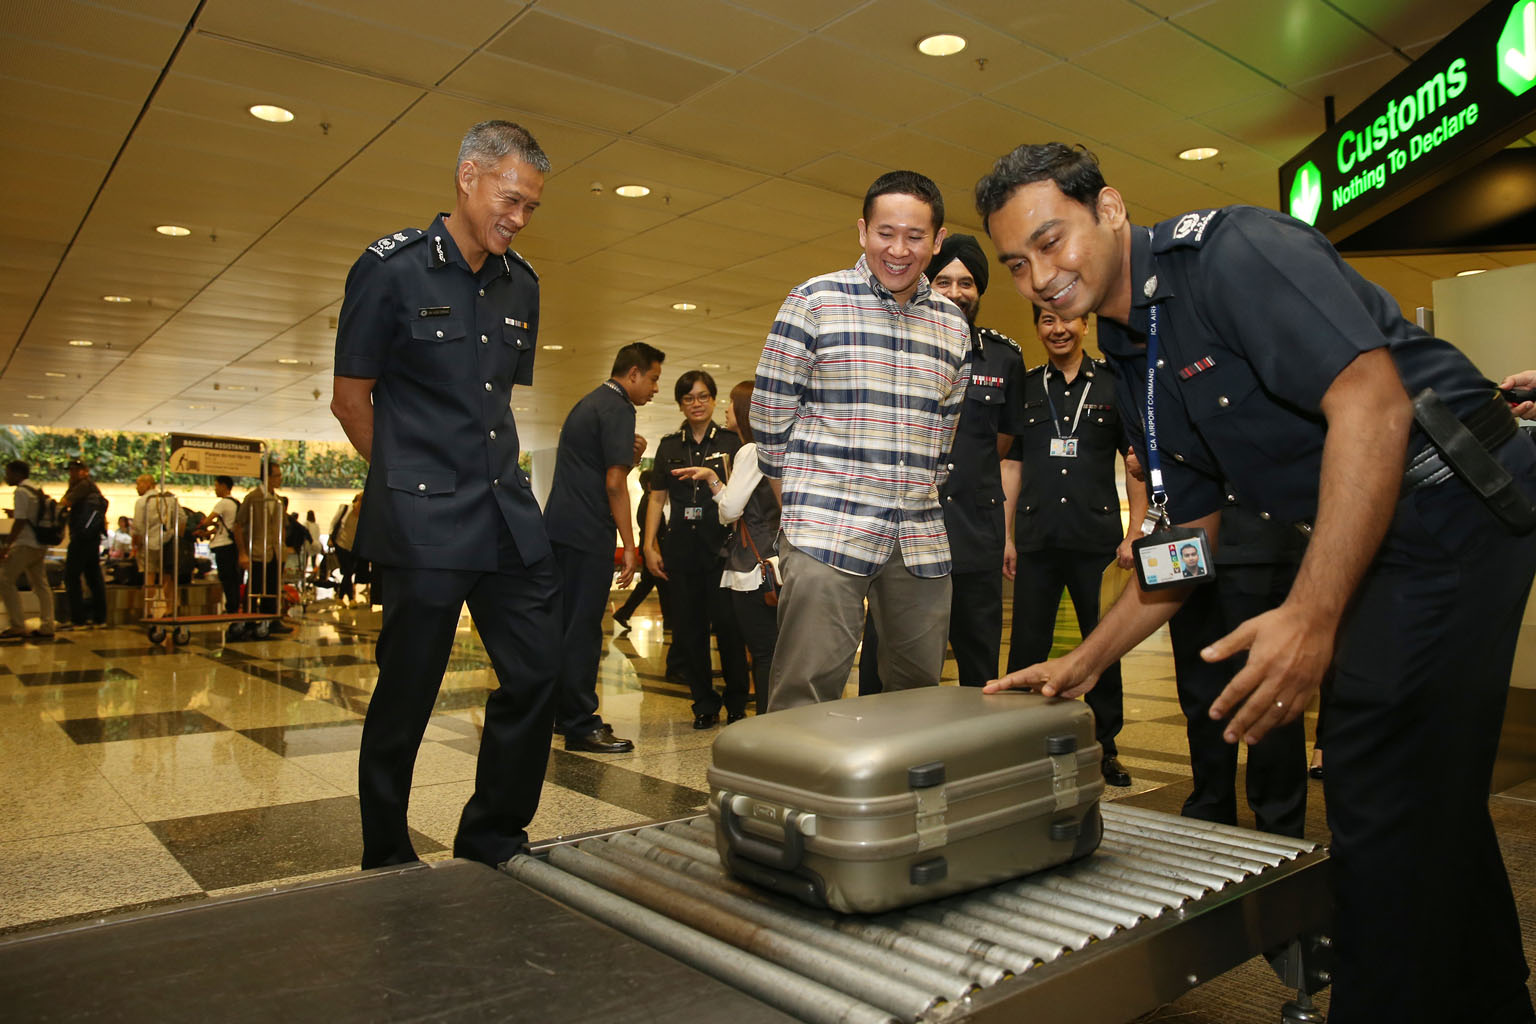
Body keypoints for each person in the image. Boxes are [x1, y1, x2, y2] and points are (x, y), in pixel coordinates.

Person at [977, 142, 1536, 1023]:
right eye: (1017, 262)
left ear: (1110, 209)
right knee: (1423, 782)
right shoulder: (1134, 346)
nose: (1040, 276)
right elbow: (1191, 536)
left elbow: (1373, 403)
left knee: (1371, 776)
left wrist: (1310, 616)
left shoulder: (1233, 255)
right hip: (1378, 532)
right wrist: (1088, 658)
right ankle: (1492, 999)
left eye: (1052, 242)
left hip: (1454, 503)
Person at [331, 119, 561, 870]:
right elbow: (351, 398)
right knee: (408, 695)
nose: (518, 217)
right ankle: (387, 851)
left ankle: (492, 832)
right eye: (510, 197)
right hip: (425, 518)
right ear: (468, 176)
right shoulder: (390, 269)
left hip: (504, 514)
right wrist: (404, 482)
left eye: (530, 207)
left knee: (536, 674)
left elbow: (489, 401)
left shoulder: (520, 282)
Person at [752, 170, 970, 710]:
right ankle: (790, 797)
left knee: (918, 696)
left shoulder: (953, 326)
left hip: (919, 538)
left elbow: (944, 430)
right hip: (828, 530)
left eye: (915, 237)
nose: (898, 250)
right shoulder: (815, 301)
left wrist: (923, 483)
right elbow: (769, 414)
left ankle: (899, 796)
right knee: (805, 692)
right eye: (885, 233)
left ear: (937, 240)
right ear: (862, 231)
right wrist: (802, 499)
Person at [859, 233, 1026, 693]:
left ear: (980, 291)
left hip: (975, 530)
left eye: (967, 283)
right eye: (945, 281)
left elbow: (1004, 444)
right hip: (903, 529)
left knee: (979, 661)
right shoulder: (897, 348)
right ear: (929, 284)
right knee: (886, 654)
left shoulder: (1005, 357)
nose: (956, 292)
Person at [1004, 304, 1137, 787]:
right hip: (1038, 540)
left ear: (1085, 324)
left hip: (1096, 541)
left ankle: (1105, 748)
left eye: (1067, 320)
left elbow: (1134, 460)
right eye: (1046, 321)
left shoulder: (1112, 384)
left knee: (1104, 646)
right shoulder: (1025, 387)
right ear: (1038, 327)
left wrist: (1134, 530)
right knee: (1026, 647)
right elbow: (1012, 466)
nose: (1057, 329)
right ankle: (1020, 743)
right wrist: (1007, 536)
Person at [545, 342, 664, 753]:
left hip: (561, 528)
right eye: (652, 379)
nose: (654, 389)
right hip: (585, 533)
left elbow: (604, 467)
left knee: (564, 627)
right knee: (581, 629)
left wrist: (631, 456)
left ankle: (562, 712)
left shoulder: (593, 403)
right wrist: (629, 545)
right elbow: (614, 484)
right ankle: (580, 723)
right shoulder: (618, 408)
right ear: (632, 374)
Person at [646, 369, 750, 728]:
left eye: (703, 396)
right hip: (682, 548)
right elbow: (657, 498)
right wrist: (648, 545)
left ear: (713, 400)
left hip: (722, 547)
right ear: (680, 404)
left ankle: (736, 700)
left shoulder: (731, 443)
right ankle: (704, 704)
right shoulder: (669, 446)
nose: (697, 404)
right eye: (689, 398)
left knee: (728, 628)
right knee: (689, 632)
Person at [671, 381, 779, 717]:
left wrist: (720, 493)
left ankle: (767, 728)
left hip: (751, 570)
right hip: (777, 565)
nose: (726, 410)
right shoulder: (778, 446)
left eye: (731, 404)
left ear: (745, 410)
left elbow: (731, 511)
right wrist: (713, 479)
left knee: (762, 654)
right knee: (776, 653)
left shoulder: (749, 450)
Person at [0, 460, 58, 640]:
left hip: (26, 544)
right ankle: (48, 625)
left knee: (4, 579)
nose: (6, 476)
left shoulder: (21, 491)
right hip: (39, 545)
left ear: (17, 474)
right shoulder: (35, 490)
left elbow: (20, 521)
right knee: (41, 585)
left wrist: (7, 545)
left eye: (8, 473)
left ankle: (17, 625)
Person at [234, 461, 292, 636]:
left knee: (274, 587)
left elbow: (282, 526)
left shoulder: (279, 500)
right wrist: (243, 553)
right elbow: (238, 525)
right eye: (277, 475)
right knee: (255, 586)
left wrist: (283, 548)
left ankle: (272, 620)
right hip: (258, 551)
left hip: (276, 552)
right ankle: (251, 621)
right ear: (267, 477)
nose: (280, 479)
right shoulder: (253, 498)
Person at [60, 458, 109, 629]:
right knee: (93, 576)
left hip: (81, 538)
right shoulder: (91, 487)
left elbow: (65, 503)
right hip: (92, 537)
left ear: (85, 471)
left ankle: (78, 618)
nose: (72, 473)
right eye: (71, 470)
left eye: (75, 470)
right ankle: (99, 618)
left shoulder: (83, 486)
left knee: (71, 576)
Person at [207, 476, 241, 614]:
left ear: (223, 486)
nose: (215, 489)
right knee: (233, 578)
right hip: (233, 544)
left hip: (224, 545)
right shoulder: (235, 503)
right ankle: (234, 605)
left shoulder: (223, 503)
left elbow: (208, 520)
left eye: (216, 485)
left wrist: (201, 527)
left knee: (226, 577)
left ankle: (231, 607)